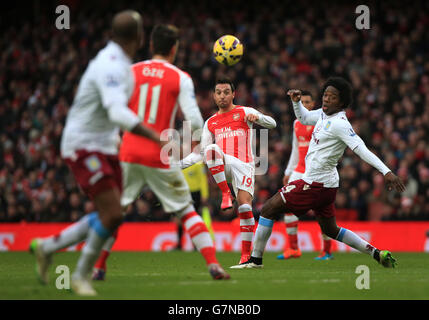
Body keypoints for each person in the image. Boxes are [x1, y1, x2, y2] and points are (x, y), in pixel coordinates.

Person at [29, 11, 165, 296]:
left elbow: (109, 113)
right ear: (138, 37)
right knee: (113, 212)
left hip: (104, 145)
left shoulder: (119, 62)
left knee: (111, 214)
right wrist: (154, 136)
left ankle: (47, 247)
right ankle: (79, 277)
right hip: (83, 145)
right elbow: (116, 111)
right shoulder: (112, 65)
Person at [91, 24, 230, 281]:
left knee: (114, 213)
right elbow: (195, 121)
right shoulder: (180, 77)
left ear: (151, 45)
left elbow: (112, 110)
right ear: (174, 49)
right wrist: (199, 142)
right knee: (187, 212)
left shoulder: (130, 72)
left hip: (129, 152)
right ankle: (213, 265)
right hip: (159, 154)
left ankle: (98, 267)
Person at [235, 77, 406, 269]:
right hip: (327, 185)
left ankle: (255, 261)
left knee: (268, 209)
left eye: (332, 97)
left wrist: (387, 171)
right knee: (331, 229)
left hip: (315, 184)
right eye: (325, 95)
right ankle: (376, 252)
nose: (326, 99)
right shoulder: (324, 115)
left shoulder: (340, 123)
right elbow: (304, 118)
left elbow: (361, 149)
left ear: (341, 102)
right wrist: (296, 102)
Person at [180, 76, 277, 267]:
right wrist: (174, 165)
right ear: (214, 97)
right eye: (218, 93)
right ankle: (226, 192)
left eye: (226, 92)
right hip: (223, 165)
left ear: (234, 94)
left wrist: (258, 118)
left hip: (245, 166)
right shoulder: (210, 122)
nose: (222, 96)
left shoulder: (244, 111)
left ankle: (246, 257)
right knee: (211, 150)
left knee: (245, 208)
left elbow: (272, 124)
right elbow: (200, 154)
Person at [277, 90, 334, 261]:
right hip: (299, 170)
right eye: (303, 102)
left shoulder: (321, 122)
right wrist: (288, 171)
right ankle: (294, 248)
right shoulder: (296, 123)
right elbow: (296, 149)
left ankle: (327, 251)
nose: (305, 105)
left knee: (321, 211)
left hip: (316, 172)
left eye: (308, 102)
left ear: (314, 104)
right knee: (287, 206)